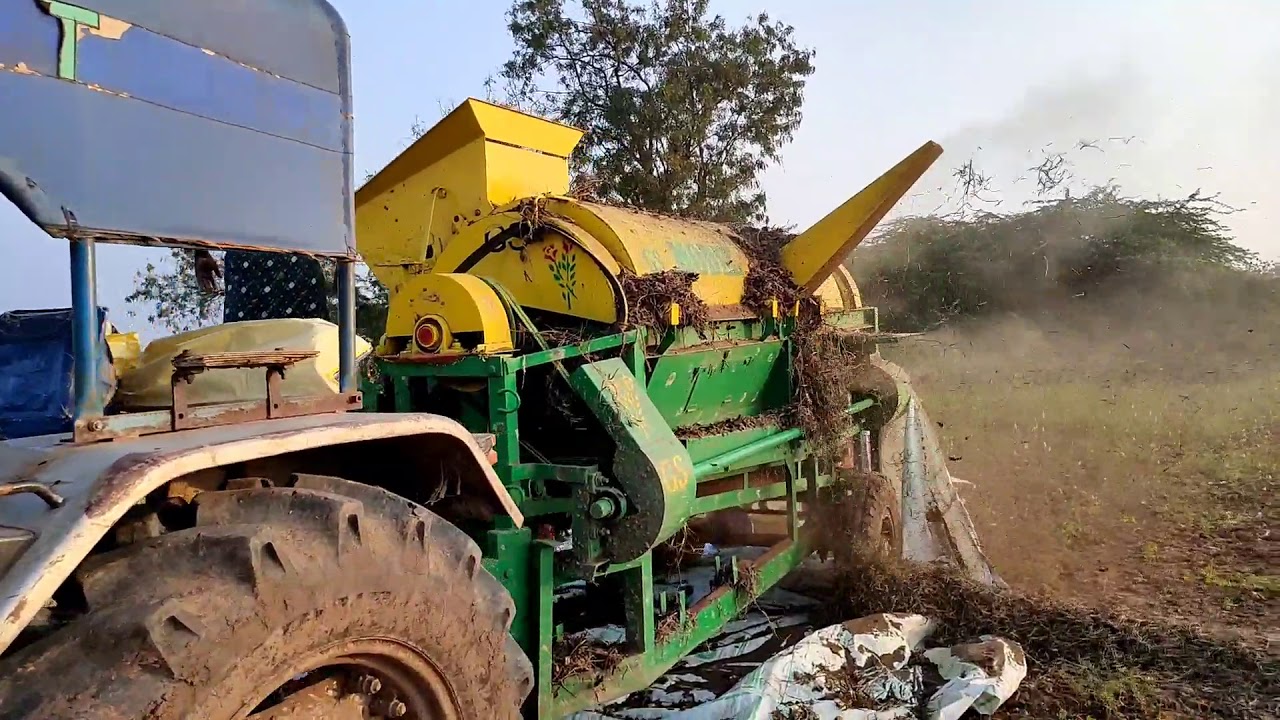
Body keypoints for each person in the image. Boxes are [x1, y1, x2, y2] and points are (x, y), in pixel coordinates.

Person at [194, 249, 329, 323]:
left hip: (299, 271)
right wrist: (200, 249)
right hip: (247, 269)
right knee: (242, 354)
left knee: (313, 355)